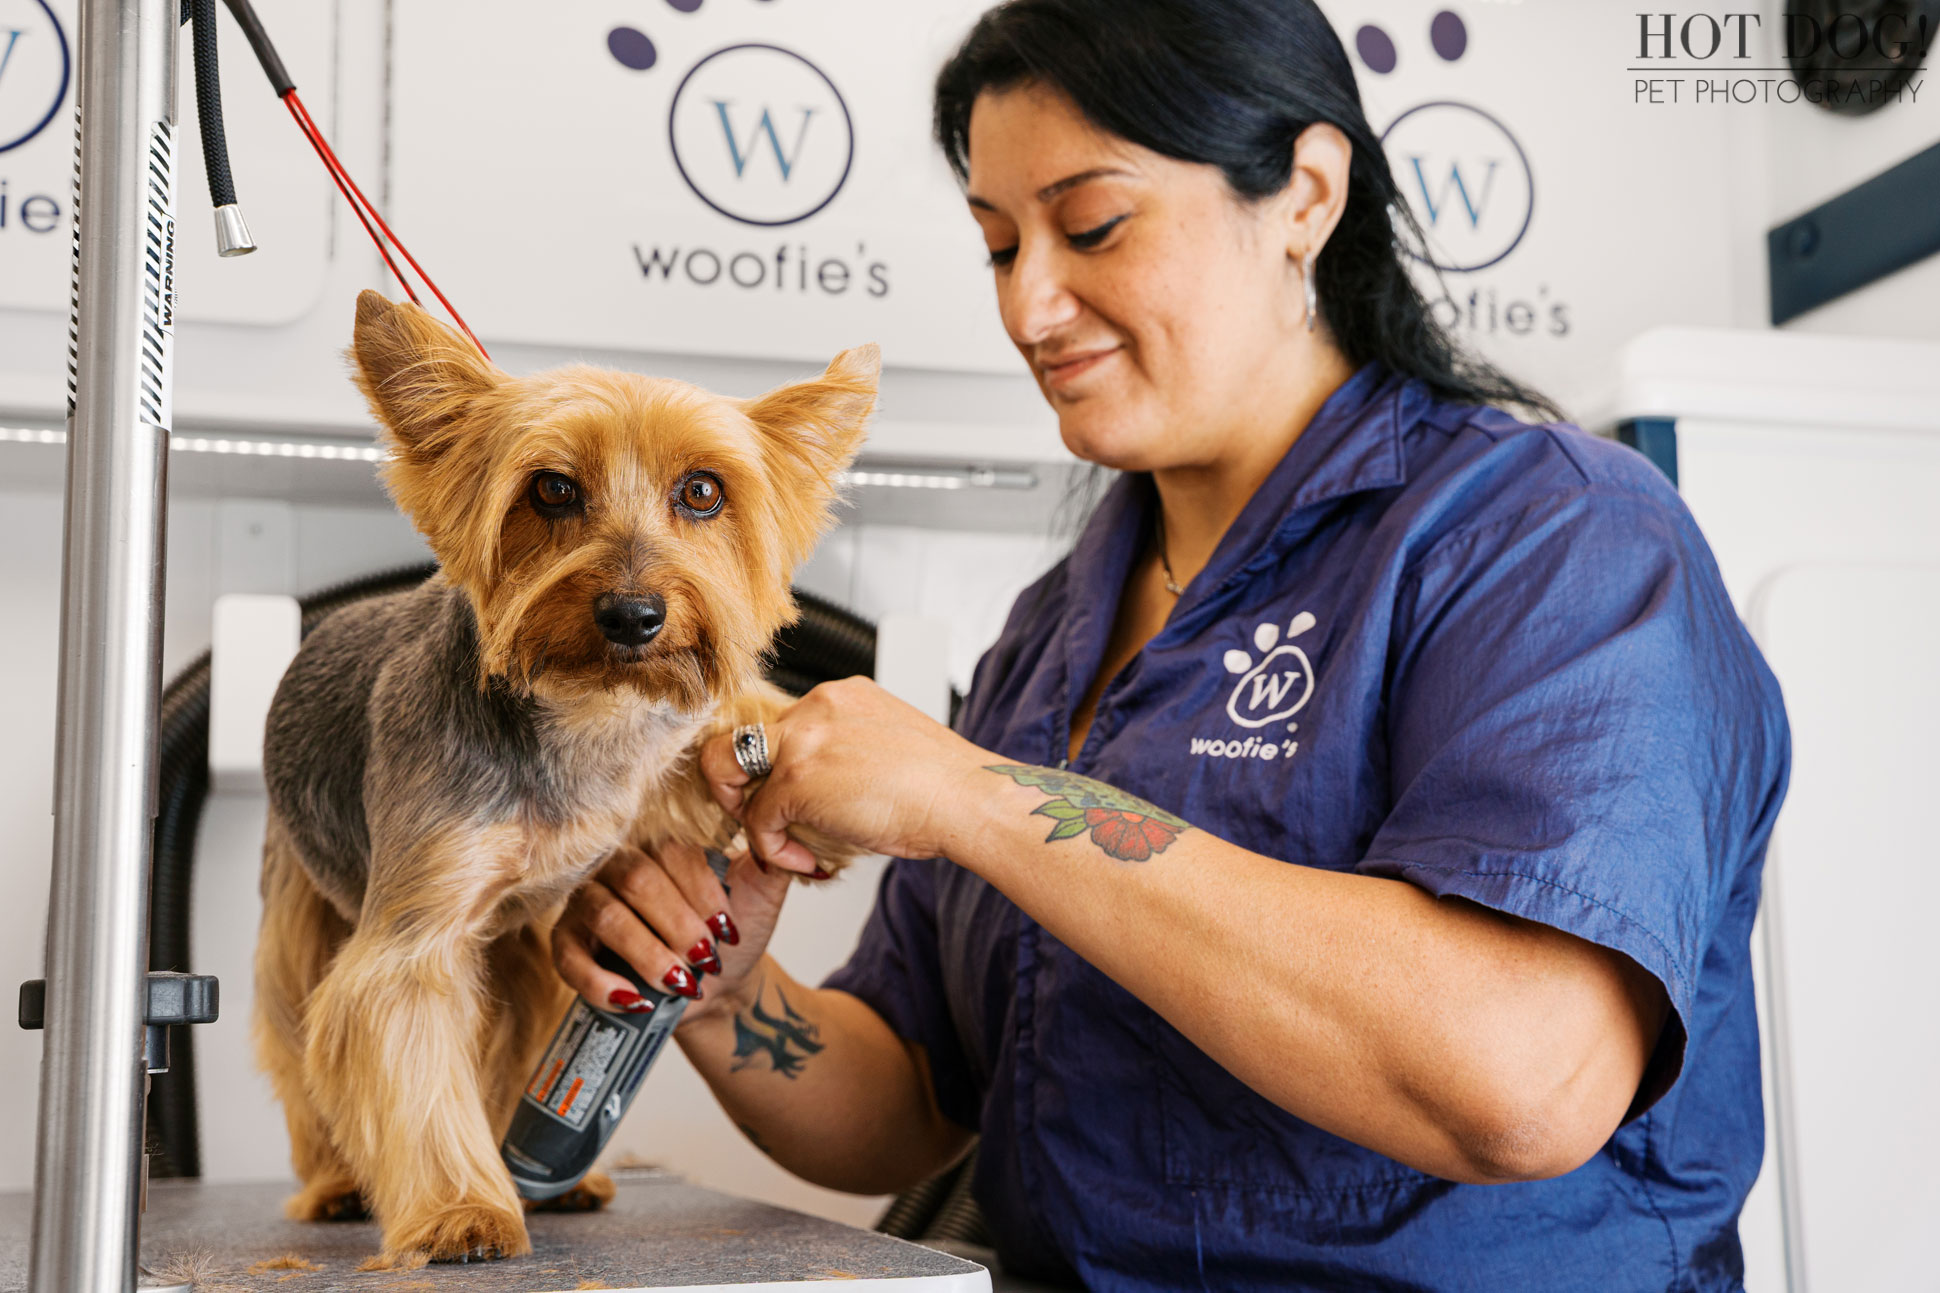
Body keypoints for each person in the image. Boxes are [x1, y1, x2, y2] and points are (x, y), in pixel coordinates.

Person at [552, 1, 1789, 1287]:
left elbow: (1521, 1082)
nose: (1030, 304)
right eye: (995, 246)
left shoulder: (1549, 536)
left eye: (1092, 225)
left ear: (1304, 193)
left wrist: (973, 797)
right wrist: (725, 996)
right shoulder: (1054, 628)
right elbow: (914, 1101)